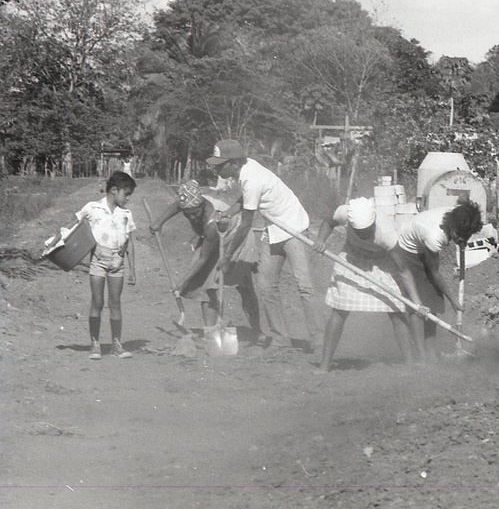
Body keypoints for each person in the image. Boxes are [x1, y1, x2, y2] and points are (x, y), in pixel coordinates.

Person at [206, 139, 326, 351]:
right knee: (266, 285)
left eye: (220, 164)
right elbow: (245, 202)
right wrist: (227, 213)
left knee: (304, 285)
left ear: (234, 163)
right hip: (274, 227)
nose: (217, 168)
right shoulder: (246, 169)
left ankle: (319, 339)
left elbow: (246, 225)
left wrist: (228, 256)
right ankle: (281, 339)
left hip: (294, 227)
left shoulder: (252, 179)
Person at [148, 179, 262, 343]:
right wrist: (160, 221)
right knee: (205, 285)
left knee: (244, 285)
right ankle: (211, 334)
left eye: (195, 213)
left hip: (237, 238)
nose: (192, 217)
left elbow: (203, 259)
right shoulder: (188, 202)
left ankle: (257, 331)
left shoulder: (211, 223)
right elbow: (177, 206)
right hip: (215, 239)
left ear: (202, 206)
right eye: (188, 214)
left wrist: (182, 282)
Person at [313, 197, 414, 371]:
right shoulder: (344, 212)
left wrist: (415, 300)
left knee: (397, 310)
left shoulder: (386, 233)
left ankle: (411, 363)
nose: (363, 235)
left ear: (373, 223)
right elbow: (329, 222)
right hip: (352, 259)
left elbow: (403, 269)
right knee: (339, 309)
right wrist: (321, 240)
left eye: (367, 231)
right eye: (358, 231)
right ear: (350, 224)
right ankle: (324, 365)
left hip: (382, 262)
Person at [392, 199, 483, 360]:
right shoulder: (434, 236)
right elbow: (434, 273)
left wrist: (462, 240)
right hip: (407, 250)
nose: (463, 240)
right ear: (452, 227)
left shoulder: (459, 216)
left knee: (433, 299)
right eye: (461, 236)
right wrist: (453, 301)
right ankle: (421, 355)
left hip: (421, 241)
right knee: (418, 303)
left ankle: (431, 350)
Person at [72, 171, 137, 360]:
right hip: (98, 262)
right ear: (114, 191)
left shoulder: (126, 214)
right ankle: (95, 344)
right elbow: (73, 224)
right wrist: (56, 243)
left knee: (115, 303)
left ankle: (116, 344)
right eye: (126, 194)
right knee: (97, 302)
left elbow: (130, 242)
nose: (128, 199)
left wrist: (133, 269)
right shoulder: (93, 208)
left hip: (118, 262)